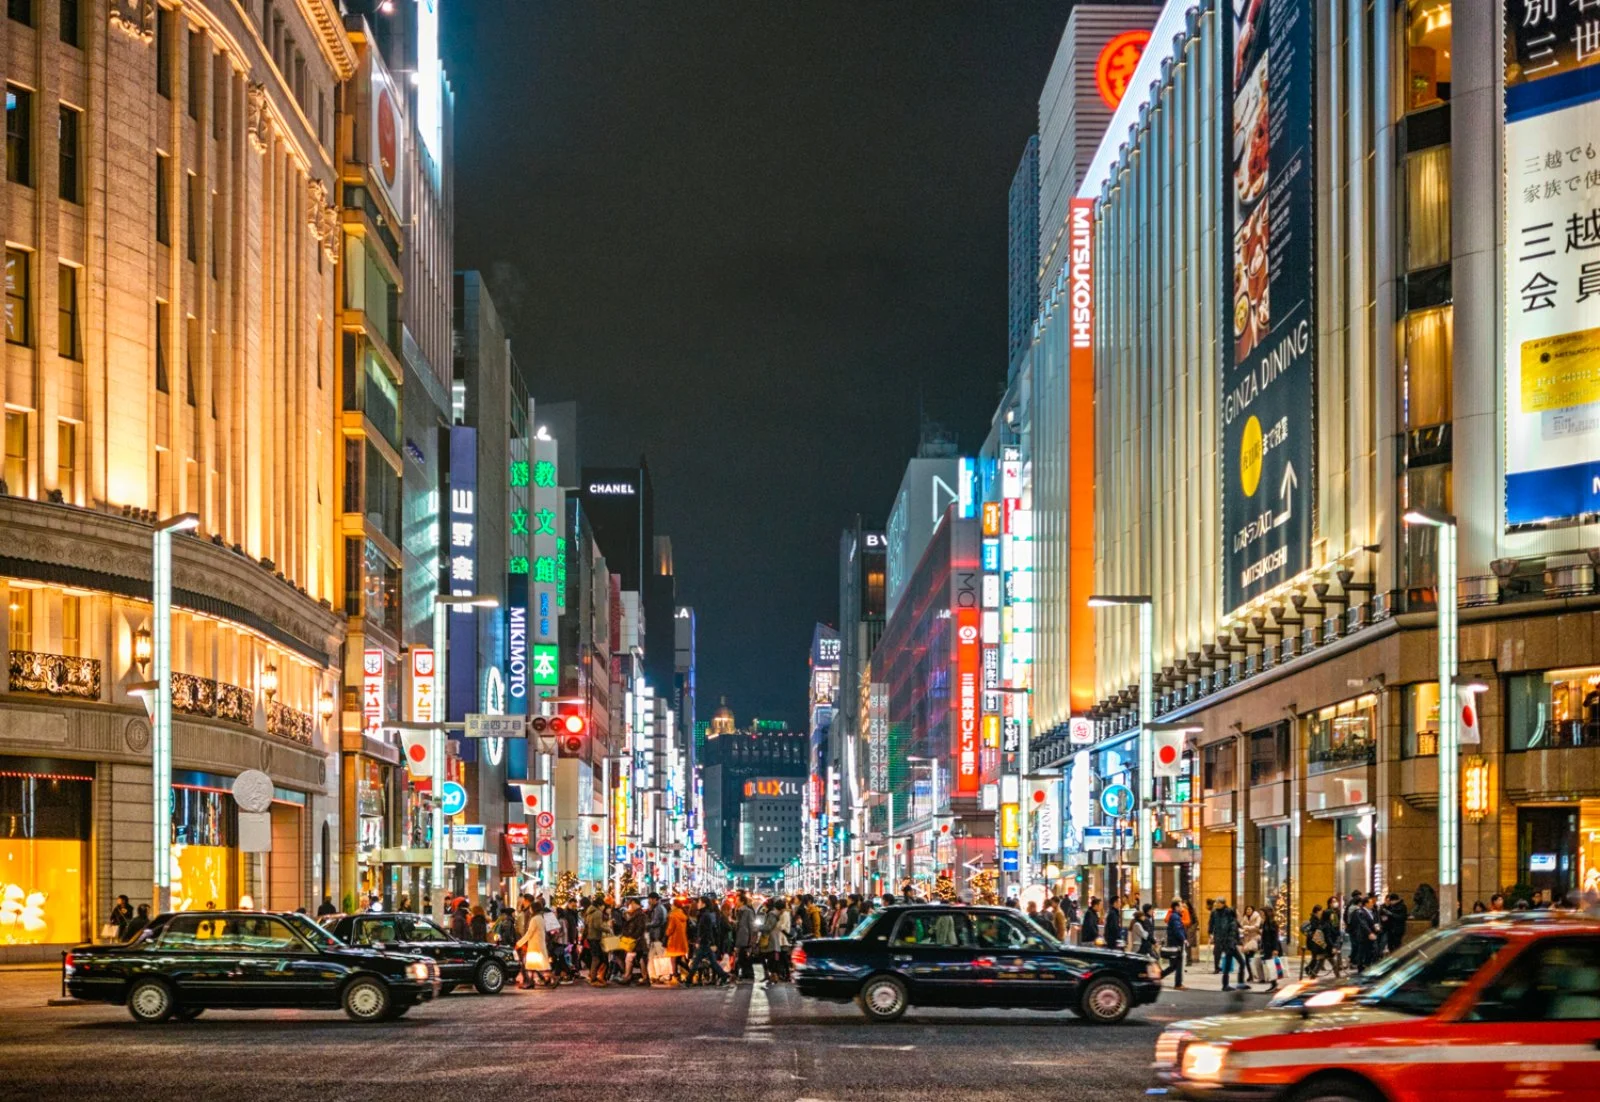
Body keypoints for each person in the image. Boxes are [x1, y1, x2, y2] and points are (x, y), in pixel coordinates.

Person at [1211, 900, 1248, 991]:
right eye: (1237, 912)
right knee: (1237, 964)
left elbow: (1234, 933)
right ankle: (1228, 985)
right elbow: (1231, 934)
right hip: (1230, 946)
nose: (1239, 913)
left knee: (1240, 963)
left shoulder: (1230, 921)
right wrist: (1232, 944)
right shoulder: (1231, 922)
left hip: (1229, 945)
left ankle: (1237, 983)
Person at [733, 891, 758, 983]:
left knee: (744, 956)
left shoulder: (747, 911)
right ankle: (746, 973)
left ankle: (748, 973)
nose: (736, 902)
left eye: (737, 900)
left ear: (742, 902)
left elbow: (752, 926)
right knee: (743, 956)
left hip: (745, 937)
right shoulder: (739, 910)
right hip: (741, 936)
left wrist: (752, 939)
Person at [1162, 899, 1187, 988]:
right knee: (1177, 964)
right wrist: (1183, 939)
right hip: (1176, 944)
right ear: (1176, 907)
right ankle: (1178, 984)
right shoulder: (1175, 917)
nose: (1182, 908)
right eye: (1180, 906)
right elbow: (1177, 930)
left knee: (1174, 965)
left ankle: (1159, 976)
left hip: (1174, 943)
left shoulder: (1175, 916)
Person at [767, 898, 792, 983]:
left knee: (783, 958)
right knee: (780, 958)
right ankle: (781, 974)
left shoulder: (785, 914)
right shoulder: (783, 913)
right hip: (780, 938)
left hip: (782, 939)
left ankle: (786, 975)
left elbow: (781, 926)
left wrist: (775, 924)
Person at [1302, 904, 1331, 978]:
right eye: (1320, 910)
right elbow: (1315, 928)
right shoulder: (1314, 919)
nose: (1321, 912)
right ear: (1317, 911)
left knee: (1315, 957)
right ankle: (1309, 970)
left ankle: (1310, 970)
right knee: (1315, 957)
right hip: (1313, 941)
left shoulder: (1317, 918)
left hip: (1315, 940)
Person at [1259, 906, 1283, 992]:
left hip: (1272, 948)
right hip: (1266, 947)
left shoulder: (1273, 923)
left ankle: (1274, 984)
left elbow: (1275, 937)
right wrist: (1261, 947)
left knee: (1271, 966)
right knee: (1269, 966)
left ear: (1266, 913)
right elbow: (1264, 937)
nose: (1260, 915)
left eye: (1262, 913)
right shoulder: (1265, 922)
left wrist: (1275, 949)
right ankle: (1273, 984)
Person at [1239, 904, 1263, 983]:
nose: (1248, 911)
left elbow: (1257, 926)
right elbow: (1240, 927)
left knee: (1251, 958)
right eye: (1247, 909)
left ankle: (1254, 975)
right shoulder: (1245, 917)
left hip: (1254, 939)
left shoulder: (1257, 916)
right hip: (1246, 940)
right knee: (1247, 959)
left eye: (1249, 909)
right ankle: (1250, 975)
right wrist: (1243, 931)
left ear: (1252, 910)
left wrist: (1246, 928)